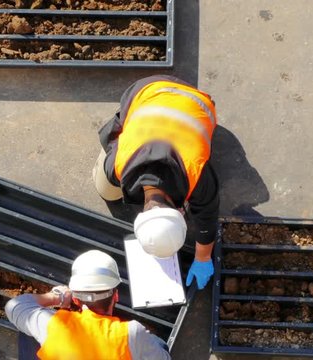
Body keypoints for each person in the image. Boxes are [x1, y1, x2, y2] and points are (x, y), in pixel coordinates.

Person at [92, 75, 219, 290]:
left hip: (193, 100)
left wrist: (204, 258)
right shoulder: (117, 168)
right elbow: (110, 131)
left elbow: (208, 216)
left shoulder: (195, 173)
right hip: (148, 91)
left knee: (110, 186)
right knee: (107, 187)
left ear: (180, 212)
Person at [5, 250, 171, 360]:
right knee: (157, 343)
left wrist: (58, 297)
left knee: (28, 330)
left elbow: (14, 306)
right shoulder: (131, 333)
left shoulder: (54, 326)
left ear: (76, 300)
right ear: (117, 296)